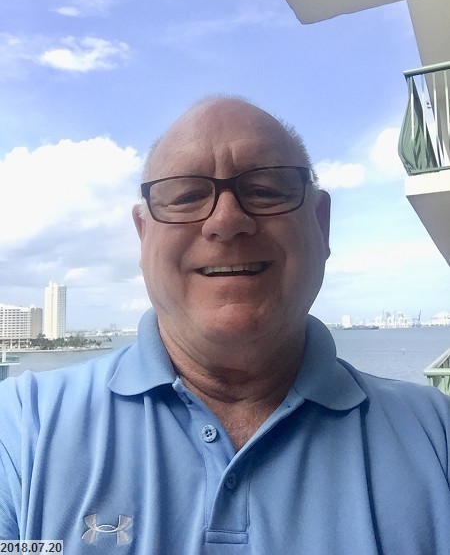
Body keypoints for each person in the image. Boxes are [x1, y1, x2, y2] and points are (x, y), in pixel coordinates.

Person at [0, 97, 449, 554]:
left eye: (266, 189)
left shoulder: (438, 434)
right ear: (143, 234)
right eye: (186, 196)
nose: (227, 220)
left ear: (321, 223)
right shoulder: (19, 429)